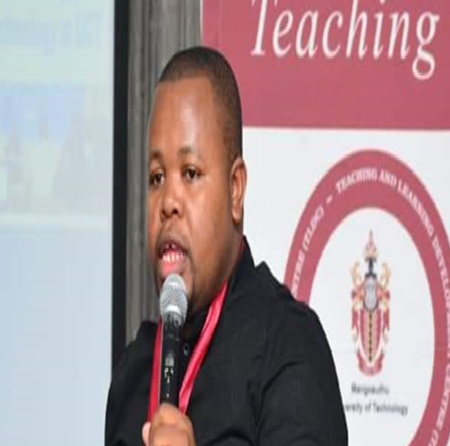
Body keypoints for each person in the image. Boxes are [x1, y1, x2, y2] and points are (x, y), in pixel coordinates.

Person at [105, 46, 348, 446]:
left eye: (190, 173)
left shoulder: (288, 347)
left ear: (235, 190)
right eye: (156, 177)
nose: (168, 201)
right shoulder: (134, 370)